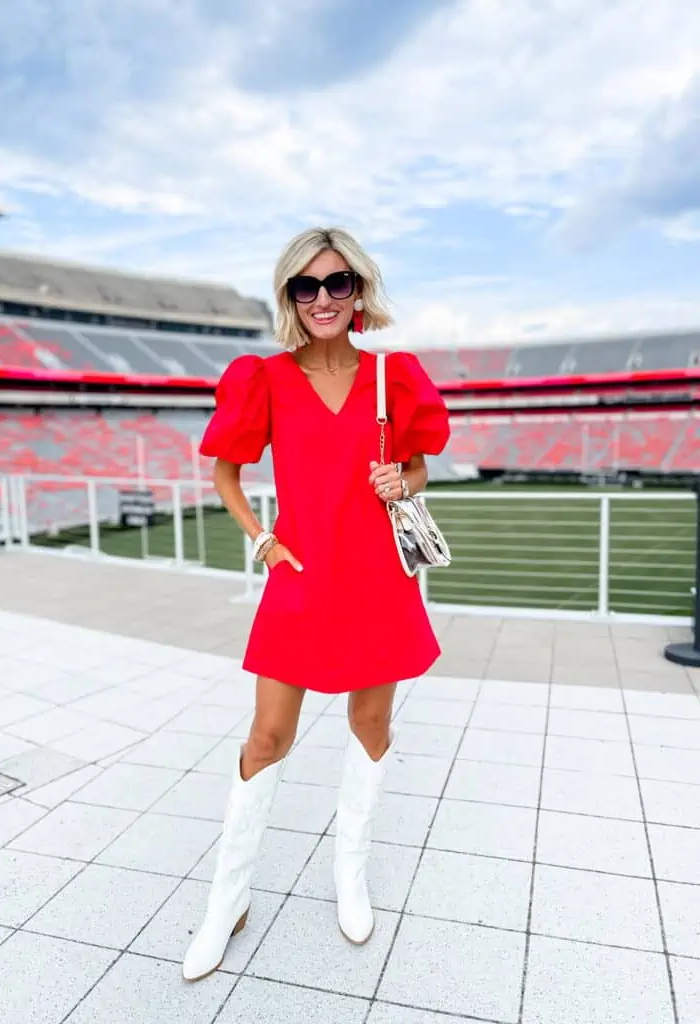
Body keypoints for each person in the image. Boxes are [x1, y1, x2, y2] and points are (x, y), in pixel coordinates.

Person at [182, 226, 451, 982]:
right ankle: (226, 901)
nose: (323, 298)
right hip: (300, 577)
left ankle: (350, 874)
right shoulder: (262, 378)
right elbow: (226, 474)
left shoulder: (393, 376)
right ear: (289, 297)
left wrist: (405, 481)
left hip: (376, 581)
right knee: (267, 736)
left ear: (358, 291)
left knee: (371, 724)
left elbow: (420, 467)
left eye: (337, 283)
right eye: (306, 285)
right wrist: (262, 539)